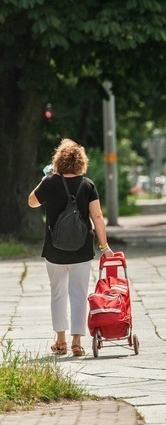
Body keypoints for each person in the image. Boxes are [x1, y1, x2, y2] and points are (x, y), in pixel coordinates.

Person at [27, 139, 113, 357]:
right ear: (81, 162)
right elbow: (98, 217)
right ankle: (77, 343)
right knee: (79, 295)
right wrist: (104, 246)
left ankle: (61, 341)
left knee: (57, 294)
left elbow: (31, 202)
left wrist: (45, 179)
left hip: (54, 252)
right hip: (82, 251)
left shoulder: (49, 182)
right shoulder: (88, 185)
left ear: (59, 161)